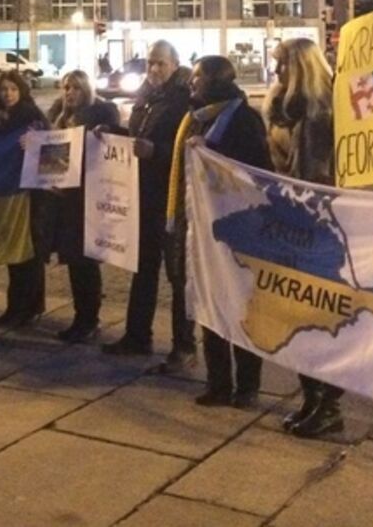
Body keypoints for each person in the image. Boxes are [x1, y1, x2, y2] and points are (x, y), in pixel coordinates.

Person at [174, 56, 272, 408]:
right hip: (203, 227)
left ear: (216, 80)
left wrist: (211, 153)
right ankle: (218, 383)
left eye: (198, 76)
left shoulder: (243, 119)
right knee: (211, 302)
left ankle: (247, 386)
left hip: (238, 228)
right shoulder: (196, 117)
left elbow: (257, 172)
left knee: (242, 305)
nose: (192, 82)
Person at [263, 37, 341, 438]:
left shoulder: (318, 115)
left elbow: (313, 177)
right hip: (291, 223)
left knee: (316, 319)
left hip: (316, 229)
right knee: (296, 318)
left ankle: (328, 404)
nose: (276, 73)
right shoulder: (285, 110)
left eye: (282, 66)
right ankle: (312, 397)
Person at [102, 40, 193, 365]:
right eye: (151, 63)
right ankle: (137, 335)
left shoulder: (183, 100)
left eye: (161, 64)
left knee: (177, 275)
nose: (154, 69)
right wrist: (113, 131)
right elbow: (136, 135)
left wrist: (156, 151)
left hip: (170, 200)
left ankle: (184, 345)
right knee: (142, 268)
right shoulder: (146, 97)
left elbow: (189, 149)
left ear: (174, 64)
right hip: (144, 195)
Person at [47, 69, 120, 342]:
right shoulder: (60, 115)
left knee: (85, 260)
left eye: (76, 87)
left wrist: (107, 132)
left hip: (90, 196)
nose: (70, 92)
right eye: (66, 87)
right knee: (73, 260)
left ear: (86, 90)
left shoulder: (101, 113)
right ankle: (81, 316)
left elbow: (117, 140)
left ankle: (89, 318)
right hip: (66, 198)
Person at [0, 70, 50, 328]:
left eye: (13, 89)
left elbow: (49, 142)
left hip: (30, 193)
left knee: (29, 250)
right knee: (14, 249)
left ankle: (28, 306)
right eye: (4, 90)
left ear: (21, 91)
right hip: (8, 191)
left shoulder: (31, 115)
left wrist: (34, 142)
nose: (8, 94)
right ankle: (17, 305)